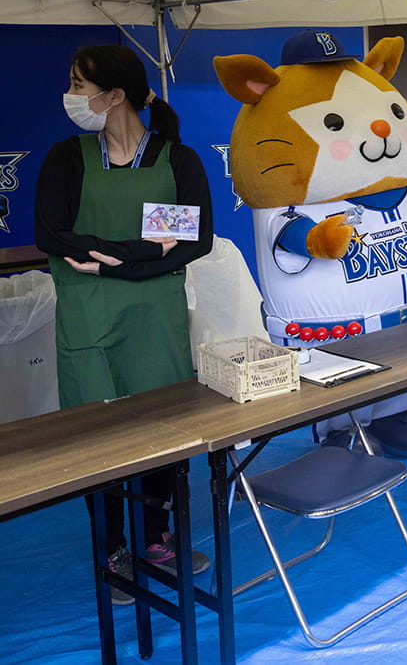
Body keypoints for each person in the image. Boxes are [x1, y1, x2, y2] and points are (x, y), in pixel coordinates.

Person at [34, 44, 214, 605]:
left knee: (163, 428)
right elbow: (53, 234)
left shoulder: (175, 160)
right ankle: (112, 543)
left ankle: (157, 536)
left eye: (77, 83)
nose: (70, 95)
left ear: (113, 96)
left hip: (153, 319)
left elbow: (194, 239)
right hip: (88, 318)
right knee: (97, 433)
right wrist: (137, 252)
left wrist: (116, 260)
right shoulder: (68, 156)